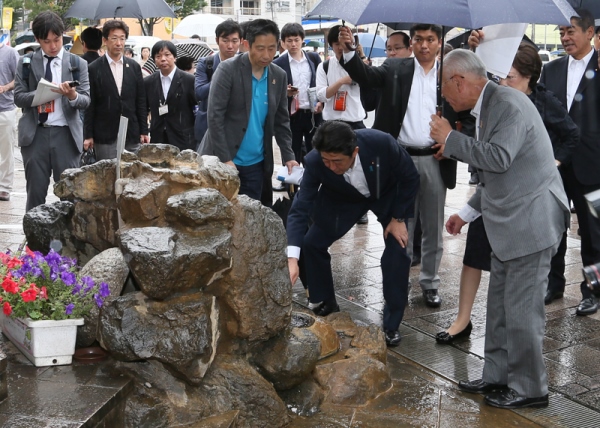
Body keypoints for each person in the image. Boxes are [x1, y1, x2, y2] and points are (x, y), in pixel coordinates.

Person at [430, 49, 569, 409]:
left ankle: (530, 388)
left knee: (523, 312)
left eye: (445, 87)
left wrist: (450, 139)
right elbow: (496, 178)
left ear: (459, 81)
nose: (444, 96)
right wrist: (466, 212)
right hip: (509, 218)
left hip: (531, 221)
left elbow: (498, 158)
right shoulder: (489, 104)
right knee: (501, 307)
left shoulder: (507, 103)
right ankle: (497, 375)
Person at [471, 9, 600, 316]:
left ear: (590, 32)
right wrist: (484, 42)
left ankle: (592, 289)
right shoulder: (552, 69)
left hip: (592, 167)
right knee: (551, 227)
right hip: (550, 165)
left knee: (594, 235)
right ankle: (552, 284)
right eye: (561, 33)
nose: (565, 37)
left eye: (571, 31)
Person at [339, 23, 473, 308]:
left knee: (433, 226)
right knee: (401, 224)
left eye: (430, 40)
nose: (424, 45)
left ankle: (430, 283)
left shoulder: (450, 74)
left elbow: (468, 112)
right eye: (419, 40)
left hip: (436, 159)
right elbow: (366, 76)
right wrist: (351, 50)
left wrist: (453, 143)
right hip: (401, 158)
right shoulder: (396, 67)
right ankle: (398, 281)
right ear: (412, 43)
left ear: (439, 43)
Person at [286, 120, 419, 346]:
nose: (331, 167)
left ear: (354, 151)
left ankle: (392, 323)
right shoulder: (316, 161)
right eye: (326, 161)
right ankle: (326, 300)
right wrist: (292, 258)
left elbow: (410, 178)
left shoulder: (382, 143)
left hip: (386, 195)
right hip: (342, 199)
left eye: (337, 162)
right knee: (312, 243)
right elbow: (299, 209)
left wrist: (398, 218)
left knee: (397, 251)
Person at [198, 19, 298, 203]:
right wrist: (225, 159)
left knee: (250, 219)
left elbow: (281, 121)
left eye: (271, 48)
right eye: (260, 48)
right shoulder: (228, 70)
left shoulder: (278, 75)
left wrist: (288, 156)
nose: (267, 54)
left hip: (256, 163)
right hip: (223, 160)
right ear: (246, 44)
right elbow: (215, 117)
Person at [14, 11, 90, 211]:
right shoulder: (26, 63)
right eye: (46, 42)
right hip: (35, 135)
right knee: (35, 195)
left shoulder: (77, 63)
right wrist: (43, 94)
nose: (53, 46)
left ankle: (66, 242)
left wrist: (72, 96)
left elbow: (85, 99)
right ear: (38, 40)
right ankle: (33, 242)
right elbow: (18, 97)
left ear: (62, 35)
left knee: (69, 198)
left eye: (57, 40)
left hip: (66, 135)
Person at [84, 20, 148, 161]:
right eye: (114, 38)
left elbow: (141, 101)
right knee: (108, 177)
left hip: (131, 133)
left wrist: (144, 130)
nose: (119, 43)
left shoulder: (134, 67)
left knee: (133, 176)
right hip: (105, 134)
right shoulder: (94, 68)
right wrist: (88, 135)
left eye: (122, 38)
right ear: (105, 40)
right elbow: (90, 103)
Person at [273, 22, 323, 165]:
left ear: (302, 40)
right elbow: (273, 91)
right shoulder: (278, 63)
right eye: (289, 41)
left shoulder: (314, 58)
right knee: (291, 154)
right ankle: (291, 186)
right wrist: (286, 93)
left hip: (313, 113)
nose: (293, 44)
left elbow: (320, 83)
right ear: (283, 43)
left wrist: (321, 103)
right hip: (291, 115)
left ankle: (311, 185)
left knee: (315, 152)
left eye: (296, 40)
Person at [194, 19, 242, 146]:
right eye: (225, 41)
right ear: (217, 41)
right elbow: (199, 92)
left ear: (241, 41)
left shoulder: (246, 65)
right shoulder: (205, 63)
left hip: (236, 129)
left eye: (234, 41)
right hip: (207, 128)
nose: (230, 46)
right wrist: (222, 77)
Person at [144, 41, 196, 151]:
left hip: (183, 139)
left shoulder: (189, 80)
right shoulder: (148, 82)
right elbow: (143, 109)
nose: (163, 59)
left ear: (175, 57)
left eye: (167, 55)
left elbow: (196, 108)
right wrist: (143, 131)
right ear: (154, 60)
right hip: (158, 139)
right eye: (158, 56)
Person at [315, 25, 366, 130]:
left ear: (351, 43)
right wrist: (341, 82)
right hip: (331, 122)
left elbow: (370, 84)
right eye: (337, 44)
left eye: (344, 43)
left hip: (355, 121)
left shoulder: (359, 65)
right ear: (331, 45)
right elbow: (321, 95)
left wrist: (362, 58)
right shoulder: (324, 66)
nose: (341, 47)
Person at [0, 43, 20, 202]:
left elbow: (19, 78)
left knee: (6, 151)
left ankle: (4, 187)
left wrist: (5, 87)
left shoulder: (10, 53)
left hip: (5, 109)